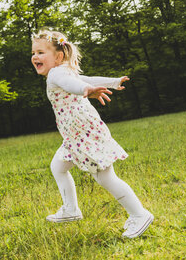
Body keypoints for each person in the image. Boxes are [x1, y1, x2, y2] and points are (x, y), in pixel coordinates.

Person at [31, 28, 153, 239]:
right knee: (58, 166)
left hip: (82, 133)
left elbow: (75, 84)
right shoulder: (64, 71)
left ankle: (140, 215)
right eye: (33, 53)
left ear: (58, 56)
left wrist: (86, 90)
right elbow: (84, 79)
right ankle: (70, 210)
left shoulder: (57, 73)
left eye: (41, 52)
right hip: (76, 134)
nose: (35, 57)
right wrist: (111, 82)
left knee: (105, 177)